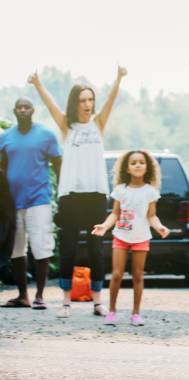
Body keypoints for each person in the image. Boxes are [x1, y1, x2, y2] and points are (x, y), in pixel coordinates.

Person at [29, 67, 127, 318]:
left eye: (90, 99)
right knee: (69, 248)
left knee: (96, 249)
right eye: (83, 100)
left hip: (95, 195)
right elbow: (50, 105)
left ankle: (97, 302)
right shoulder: (66, 125)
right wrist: (38, 84)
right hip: (70, 196)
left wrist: (118, 78)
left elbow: (111, 101)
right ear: (76, 103)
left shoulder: (98, 124)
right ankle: (64, 303)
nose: (88, 104)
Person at [92, 150, 169, 326]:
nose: (138, 165)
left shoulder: (150, 191)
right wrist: (104, 226)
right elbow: (115, 213)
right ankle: (111, 312)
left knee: (138, 276)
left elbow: (152, 216)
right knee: (117, 274)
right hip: (121, 236)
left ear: (147, 167)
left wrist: (159, 227)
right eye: (133, 162)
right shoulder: (120, 190)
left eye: (141, 162)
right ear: (127, 168)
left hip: (141, 238)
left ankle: (136, 314)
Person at [0, 98, 61, 309]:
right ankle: (23, 295)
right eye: (19, 107)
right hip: (13, 202)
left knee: (41, 246)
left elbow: (58, 164)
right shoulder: (6, 137)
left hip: (39, 199)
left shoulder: (46, 135)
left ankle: (40, 296)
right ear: (14, 111)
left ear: (33, 110)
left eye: (27, 107)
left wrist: (60, 193)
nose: (23, 110)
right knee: (16, 249)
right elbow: (3, 166)